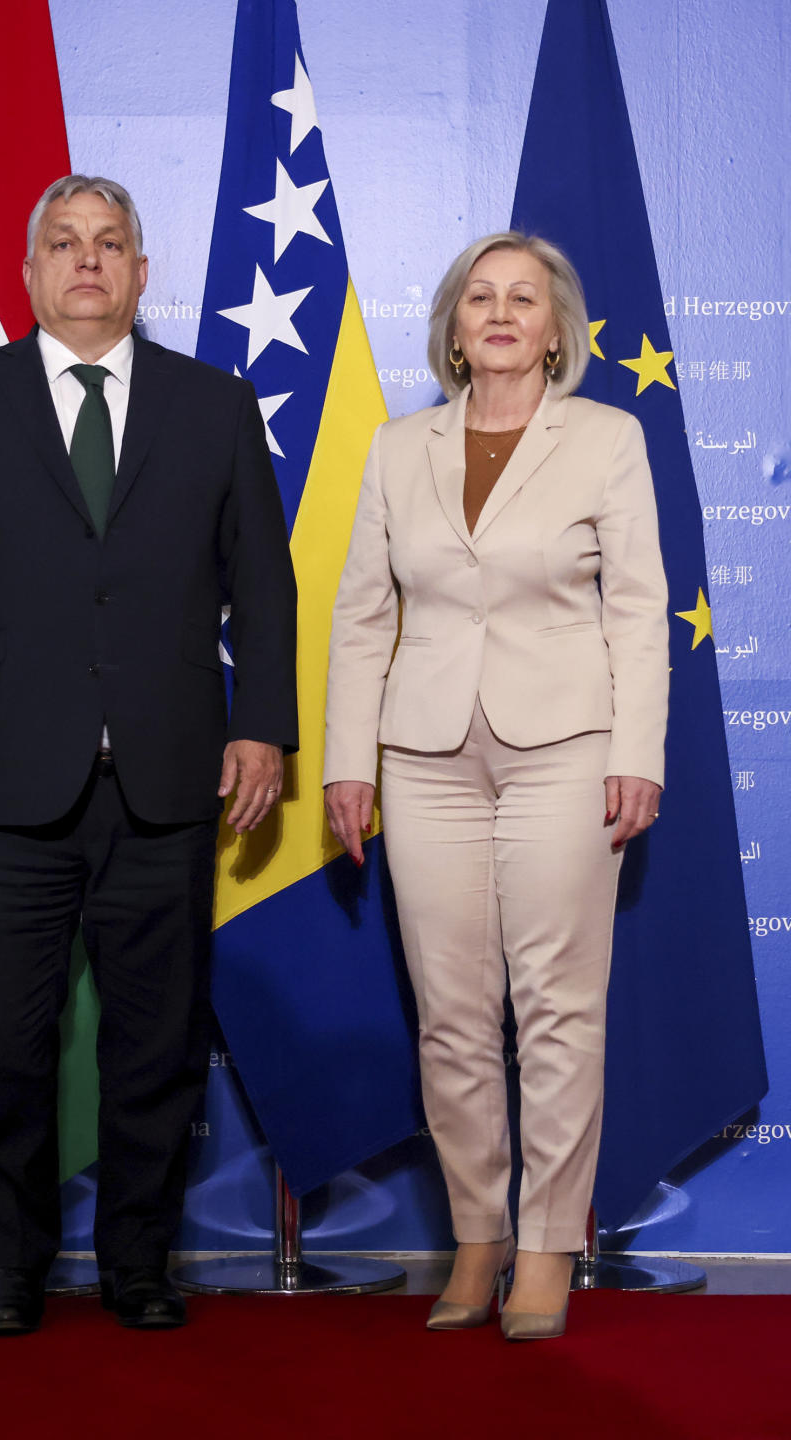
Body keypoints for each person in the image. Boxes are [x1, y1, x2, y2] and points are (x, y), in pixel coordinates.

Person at [0, 175, 298, 1335]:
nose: (89, 262)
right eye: (64, 243)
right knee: (6, 1048)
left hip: (166, 779)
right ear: (30, 272)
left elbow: (264, 585)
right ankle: (10, 1266)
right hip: (0, 781)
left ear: (143, 273)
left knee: (155, 1050)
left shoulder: (215, 405)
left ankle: (139, 1266)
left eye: (112, 244)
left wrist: (262, 722)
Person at [324, 232, 667, 1341]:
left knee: (557, 1006)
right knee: (453, 1015)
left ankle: (548, 1245)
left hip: (567, 742)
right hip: (423, 755)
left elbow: (636, 611)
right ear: (455, 327)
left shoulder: (608, 440)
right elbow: (363, 615)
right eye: (482, 296)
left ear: (557, 327)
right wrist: (346, 759)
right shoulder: (397, 447)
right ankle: (476, 1233)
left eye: (525, 297)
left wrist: (639, 753)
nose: (503, 311)